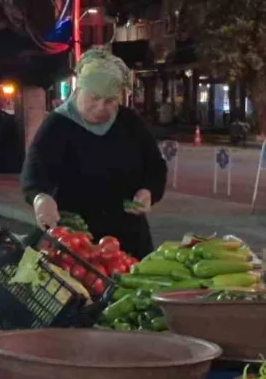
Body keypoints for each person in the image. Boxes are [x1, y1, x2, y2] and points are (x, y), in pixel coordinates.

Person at [21, 48, 166, 259]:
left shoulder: (130, 122)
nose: (101, 107)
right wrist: (40, 198)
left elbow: (155, 166)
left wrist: (148, 192)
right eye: (94, 98)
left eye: (110, 101)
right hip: (76, 240)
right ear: (78, 90)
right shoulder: (57, 125)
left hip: (129, 239)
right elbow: (34, 172)